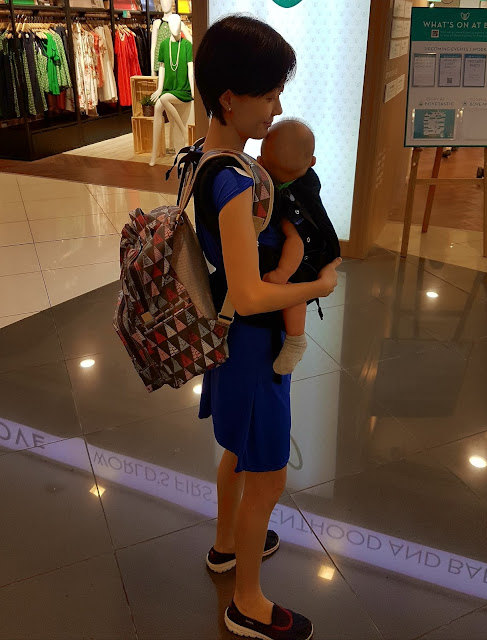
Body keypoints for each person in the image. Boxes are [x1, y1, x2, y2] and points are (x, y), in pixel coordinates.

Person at [194, 15, 341, 640]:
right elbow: (253, 292)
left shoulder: (203, 156)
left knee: (238, 451)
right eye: (271, 93)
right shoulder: (234, 184)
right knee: (269, 476)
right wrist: (317, 287)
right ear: (231, 97)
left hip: (229, 338)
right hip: (253, 347)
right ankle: (247, 602)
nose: (278, 108)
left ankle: (227, 545)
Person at [257, 119, 319, 376]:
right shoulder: (297, 180)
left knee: (294, 293)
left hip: (301, 257)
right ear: (312, 161)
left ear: (260, 161)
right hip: (296, 250)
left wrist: (282, 274)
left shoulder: (296, 194)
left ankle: (296, 339)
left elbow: (296, 240)